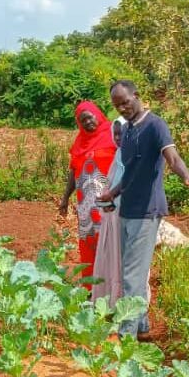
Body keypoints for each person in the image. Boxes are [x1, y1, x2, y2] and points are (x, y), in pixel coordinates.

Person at [99, 80, 189, 338]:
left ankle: (127, 335)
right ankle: (142, 324)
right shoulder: (129, 130)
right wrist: (112, 192)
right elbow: (131, 172)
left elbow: (173, 157)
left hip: (147, 211)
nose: (122, 108)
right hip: (126, 210)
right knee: (131, 271)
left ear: (137, 96)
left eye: (125, 101)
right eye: (117, 105)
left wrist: (186, 176)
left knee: (132, 276)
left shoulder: (156, 125)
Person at [59, 101, 117, 286]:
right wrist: (65, 198)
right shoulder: (79, 142)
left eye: (89, 117)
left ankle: (110, 285)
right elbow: (73, 172)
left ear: (97, 115)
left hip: (109, 201)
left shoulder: (113, 134)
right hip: (85, 205)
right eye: (82, 120)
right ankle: (91, 287)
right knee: (88, 242)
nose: (87, 123)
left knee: (108, 241)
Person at [91, 117, 125, 306]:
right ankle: (109, 302)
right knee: (109, 259)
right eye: (116, 134)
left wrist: (112, 199)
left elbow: (130, 183)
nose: (119, 138)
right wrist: (106, 201)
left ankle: (121, 303)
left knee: (121, 261)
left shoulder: (133, 157)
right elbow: (111, 182)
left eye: (123, 133)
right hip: (112, 215)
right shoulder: (119, 154)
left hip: (126, 216)